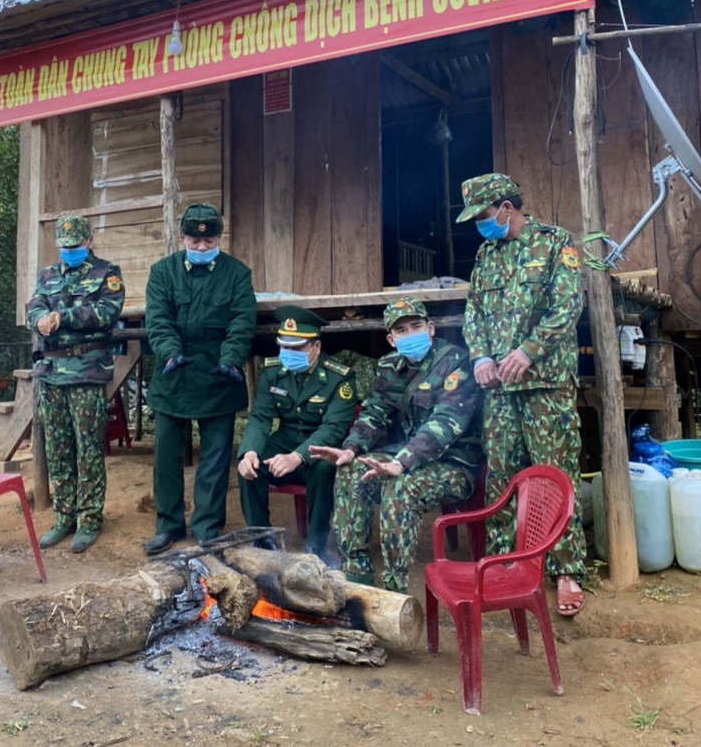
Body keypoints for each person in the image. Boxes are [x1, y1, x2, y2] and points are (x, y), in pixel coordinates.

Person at [456, 172, 588, 617]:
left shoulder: (555, 243)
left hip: (545, 382)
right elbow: (474, 312)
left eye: (483, 214)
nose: (480, 224)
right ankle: (501, 563)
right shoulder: (486, 254)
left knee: (555, 473)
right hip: (499, 387)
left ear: (506, 208)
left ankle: (566, 570)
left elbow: (567, 306)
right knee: (501, 473)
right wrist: (480, 357)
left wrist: (529, 351)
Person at [310, 298, 483, 593]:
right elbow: (375, 413)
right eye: (402, 330)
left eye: (416, 326)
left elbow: (445, 423)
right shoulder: (390, 366)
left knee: (401, 486)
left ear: (430, 328)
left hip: (454, 463)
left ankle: (395, 588)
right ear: (391, 339)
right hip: (404, 455)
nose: (410, 334)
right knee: (350, 470)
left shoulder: (456, 362)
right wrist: (351, 448)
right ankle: (357, 574)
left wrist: (401, 462)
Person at [143, 203, 257, 554]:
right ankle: (168, 525)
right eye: (195, 241)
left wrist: (231, 358)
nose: (203, 247)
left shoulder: (238, 273)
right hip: (173, 374)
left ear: (220, 237)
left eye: (210, 241)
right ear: (184, 238)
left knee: (216, 457)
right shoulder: (162, 272)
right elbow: (158, 320)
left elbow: (242, 321)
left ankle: (207, 526)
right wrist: (170, 352)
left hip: (218, 374)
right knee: (166, 456)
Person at [28, 214, 126, 553]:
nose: (70, 250)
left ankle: (89, 519)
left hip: (87, 370)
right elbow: (35, 306)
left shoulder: (107, 273)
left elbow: (106, 313)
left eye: (76, 245)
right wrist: (40, 319)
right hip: (50, 371)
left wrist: (64, 317)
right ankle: (64, 516)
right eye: (65, 246)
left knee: (88, 448)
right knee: (58, 448)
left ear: (89, 241)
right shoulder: (47, 276)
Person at [236, 306, 358, 564]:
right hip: (285, 438)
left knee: (323, 469)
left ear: (316, 347)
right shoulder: (273, 373)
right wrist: (249, 451)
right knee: (249, 467)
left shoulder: (340, 378)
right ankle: (262, 539)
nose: (288, 354)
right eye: (284, 347)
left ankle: (316, 546)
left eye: (297, 347)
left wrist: (297, 457)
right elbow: (260, 418)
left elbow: (333, 428)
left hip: (321, 446)